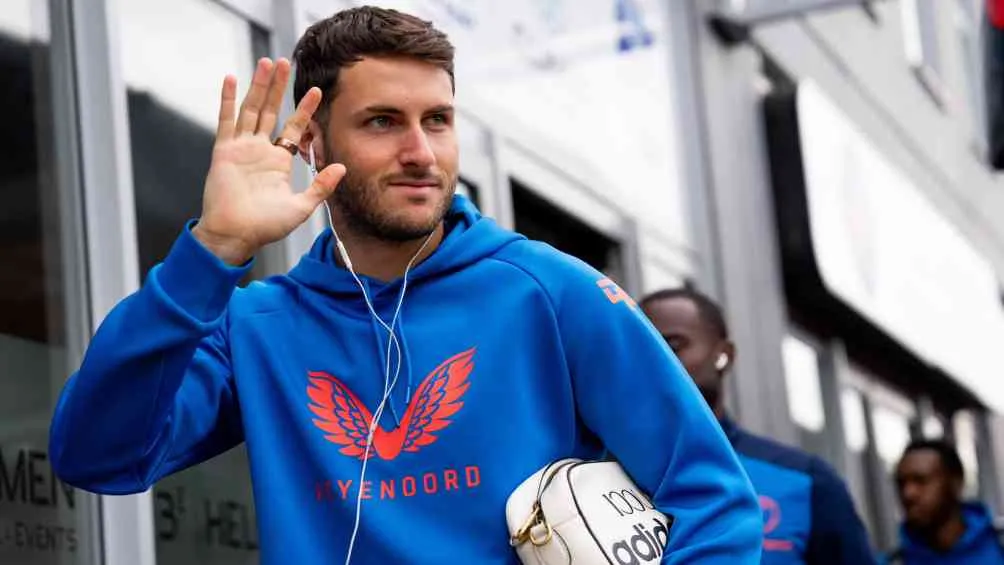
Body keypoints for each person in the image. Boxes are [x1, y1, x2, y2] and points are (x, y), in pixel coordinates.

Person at [48, 6, 762, 564]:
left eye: (438, 121)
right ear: (317, 144)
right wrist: (211, 252)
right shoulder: (257, 326)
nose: (421, 152)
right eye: (384, 122)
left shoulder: (548, 290)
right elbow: (96, 455)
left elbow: (712, 500)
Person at [640, 287, 877, 565]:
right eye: (642, 348)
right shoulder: (600, 476)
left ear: (723, 355)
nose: (654, 360)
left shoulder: (806, 480)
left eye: (673, 345)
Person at [885, 439, 1004, 564]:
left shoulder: (998, 547)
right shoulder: (895, 562)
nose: (908, 493)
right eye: (901, 483)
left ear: (956, 483)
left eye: (920, 481)